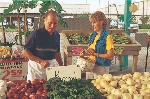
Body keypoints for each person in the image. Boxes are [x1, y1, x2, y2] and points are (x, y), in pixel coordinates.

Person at [22, 9, 63, 81]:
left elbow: (57, 53)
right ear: (44, 20)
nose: (52, 26)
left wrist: (62, 67)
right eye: (50, 23)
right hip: (36, 70)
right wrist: (40, 61)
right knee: (34, 90)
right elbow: (25, 52)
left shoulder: (57, 35)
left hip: (50, 69)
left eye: (55, 23)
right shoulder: (36, 34)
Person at [85, 11, 114, 79]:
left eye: (94, 22)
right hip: (90, 66)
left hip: (101, 68)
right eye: (91, 23)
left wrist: (95, 54)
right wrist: (89, 51)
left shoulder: (107, 37)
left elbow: (110, 56)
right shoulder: (93, 35)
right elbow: (91, 49)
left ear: (101, 22)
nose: (92, 25)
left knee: (99, 88)